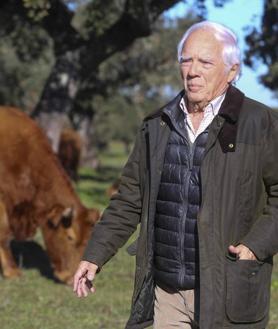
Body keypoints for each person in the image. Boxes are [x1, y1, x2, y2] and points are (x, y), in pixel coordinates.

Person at [73, 21, 278, 329]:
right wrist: (94, 255)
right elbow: (130, 198)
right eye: (186, 59)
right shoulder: (158, 125)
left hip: (229, 292)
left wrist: (255, 246)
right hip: (165, 293)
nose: (192, 70)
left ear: (232, 71)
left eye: (205, 62)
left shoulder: (261, 123)